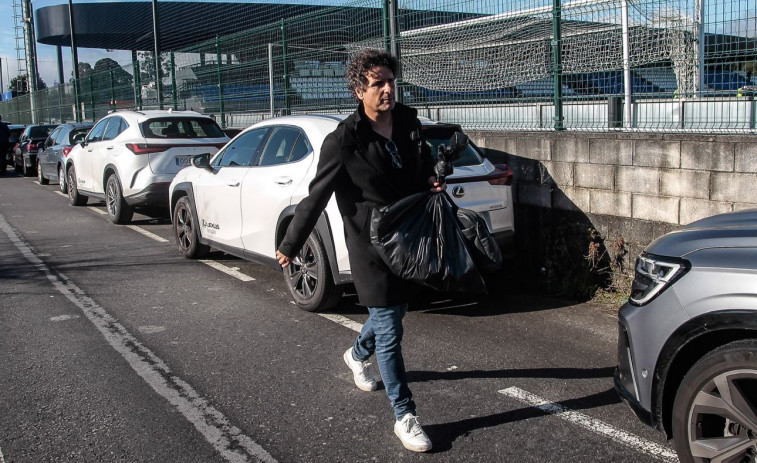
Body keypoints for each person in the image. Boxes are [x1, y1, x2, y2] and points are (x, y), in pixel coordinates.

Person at [275, 49, 443, 452]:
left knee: (395, 312)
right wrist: (291, 244)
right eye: (377, 84)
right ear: (358, 90)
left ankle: (355, 354)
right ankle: (405, 415)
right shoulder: (344, 140)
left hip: (406, 237)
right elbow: (316, 196)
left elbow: (421, 163)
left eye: (390, 81)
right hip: (369, 244)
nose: (388, 90)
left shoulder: (406, 121)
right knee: (390, 327)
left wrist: (433, 177)